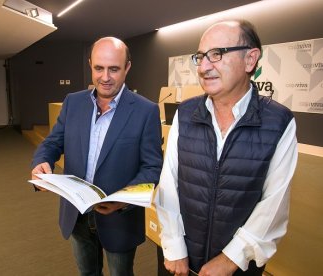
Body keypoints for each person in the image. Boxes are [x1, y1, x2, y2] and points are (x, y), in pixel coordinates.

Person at [154, 20, 298, 276]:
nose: (204, 67)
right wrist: (175, 246)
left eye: (217, 54)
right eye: (200, 57)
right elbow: (168, 184)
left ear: (250, 59)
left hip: (238, 269)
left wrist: (231, 259)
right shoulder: (185, 113)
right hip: (180, 263)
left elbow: (273, 206)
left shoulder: (279, 122)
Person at [31, 37, 163, 276]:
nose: (105, 77)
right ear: (90, 64)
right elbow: (53, 142)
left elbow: (152, 167)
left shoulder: (146, 110)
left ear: (127, 68)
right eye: (99, 68)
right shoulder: (73, 102)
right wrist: (42, 161)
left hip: (120, 219)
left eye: (114, 69)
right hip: (76, 215)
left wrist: (123, 200)